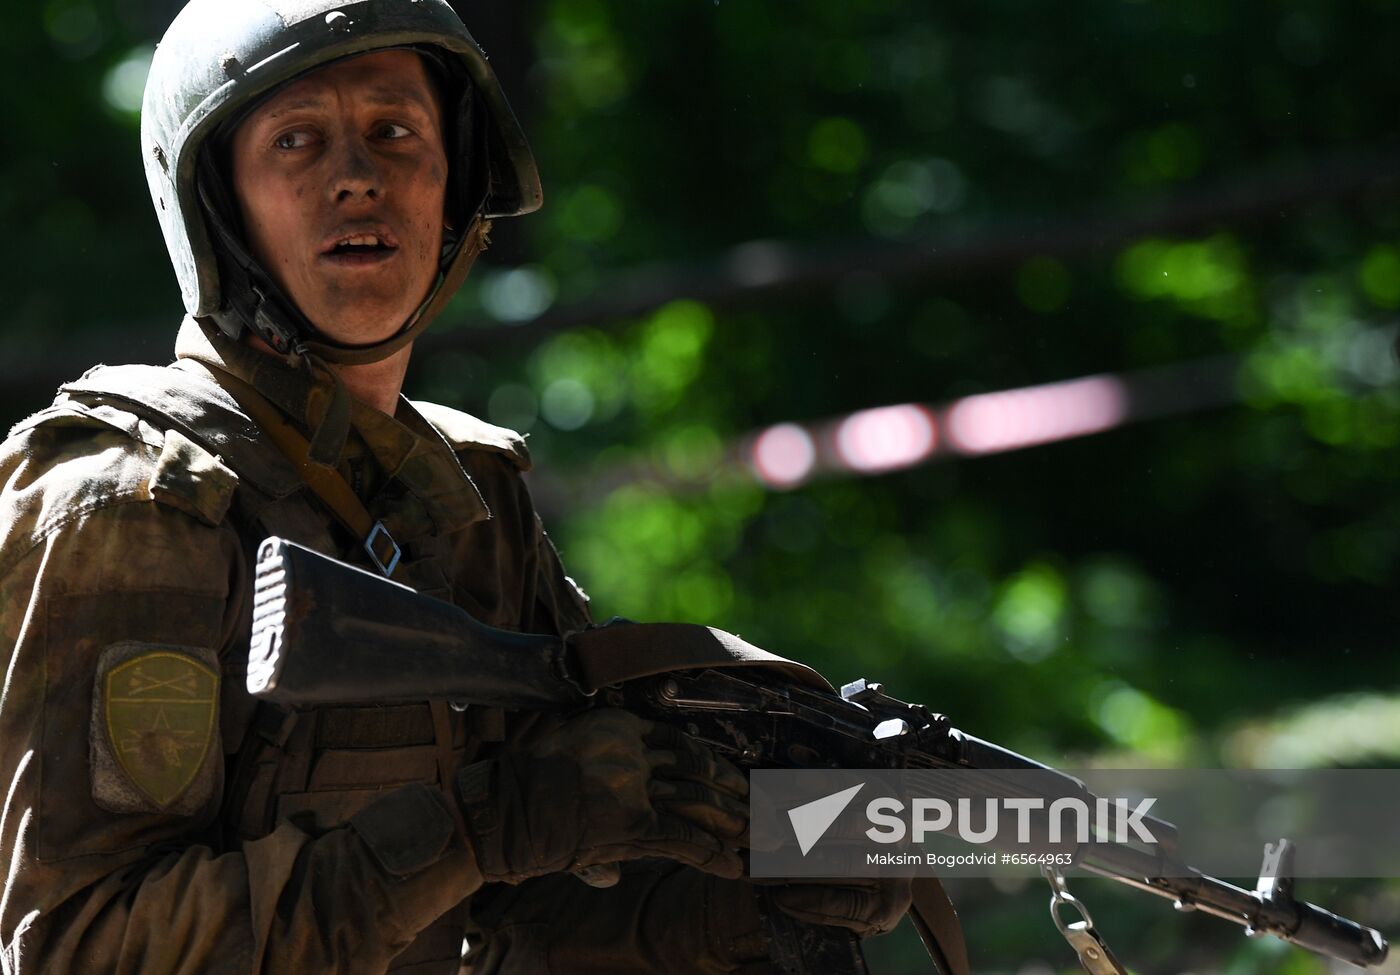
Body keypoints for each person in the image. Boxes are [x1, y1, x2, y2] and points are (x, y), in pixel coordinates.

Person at [0, 0, 919, 971]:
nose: (357, 177)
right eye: (296, 141)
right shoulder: (137, 505)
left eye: (394, 132)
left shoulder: (465, 497)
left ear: (457, 183)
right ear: (217, 205)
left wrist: (759, 890)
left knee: (983, 823)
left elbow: (527, 906)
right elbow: (81, 947)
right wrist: (477, 827)